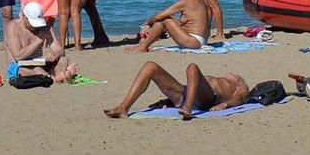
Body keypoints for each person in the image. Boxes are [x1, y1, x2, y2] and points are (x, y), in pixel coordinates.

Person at [102, 61, 247, 119]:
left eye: (233, 74)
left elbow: (240, 98)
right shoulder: (220, 78)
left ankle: (188, 108)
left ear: (237, 79)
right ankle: (123, 108)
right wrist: (168, 100)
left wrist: (225, 105)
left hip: (206, 99)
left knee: (192, 67)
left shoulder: (240, 85)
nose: (230, 73)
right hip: (186, 92)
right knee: (150, 66)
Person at [135, 0, 213, 52]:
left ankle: (143, 47)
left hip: (194, 42)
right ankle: (144, 45)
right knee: (164, 18)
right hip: (201, 40)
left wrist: (148, 23)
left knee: (164, 19)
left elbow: (160, 16)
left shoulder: (186, 0)